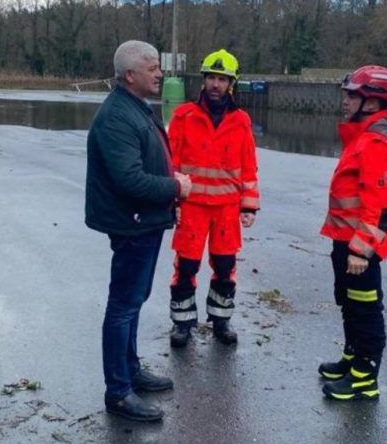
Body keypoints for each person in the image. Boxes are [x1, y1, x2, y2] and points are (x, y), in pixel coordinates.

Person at [85, 40, 192, 421]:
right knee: (123, 306)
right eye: (152, 67)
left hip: (144, 222)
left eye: (158, 67)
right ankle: (118, 392)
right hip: (132, 224)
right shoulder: (117, 116)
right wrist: (176, 187)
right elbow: (129, 180)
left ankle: (130, 371)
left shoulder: (135, 107)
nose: (160, 73)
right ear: (130, 75)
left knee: (134, 300)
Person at [319, 65, 387, 400]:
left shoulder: (375, 143)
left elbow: (382, 207)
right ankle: (351, 358)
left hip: (359, 248)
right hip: (345, 240)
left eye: (352, 95)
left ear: (372, 102)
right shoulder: (361, 137)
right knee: (348, 303)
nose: (345, 101)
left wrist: (362, 250)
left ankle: (364, 376)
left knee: (365, 309)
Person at [167, 49, 260, 348]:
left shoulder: (241, 120)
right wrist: (172, 203)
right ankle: (182, 324)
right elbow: (171, 164)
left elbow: (249, 165)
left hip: (227, 209)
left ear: (231, 83)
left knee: (224, 266)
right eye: (211, 78)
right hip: (192, 206)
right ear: (203, 80)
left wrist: (249, 205)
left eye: (222, 79)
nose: (216, 84)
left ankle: (221, 320)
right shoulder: (184, 116)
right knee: (186, 267)